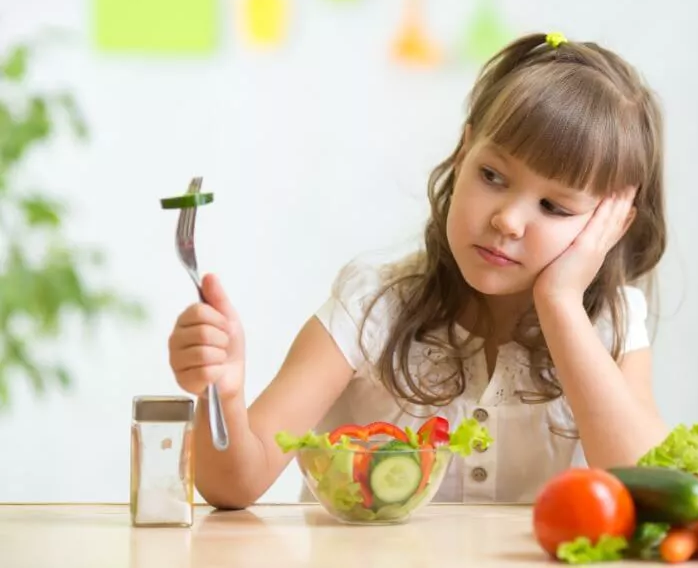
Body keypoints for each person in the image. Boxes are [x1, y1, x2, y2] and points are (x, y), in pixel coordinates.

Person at [167, 31, 670, 509]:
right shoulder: (372, 305)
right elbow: (233, 484)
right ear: (462, 151)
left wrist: (561, 304)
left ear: (610, 225)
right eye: (492, 175)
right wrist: (225, 394)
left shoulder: (612, 322)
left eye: (554, 207)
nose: (508, 220)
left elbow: (649, 492)